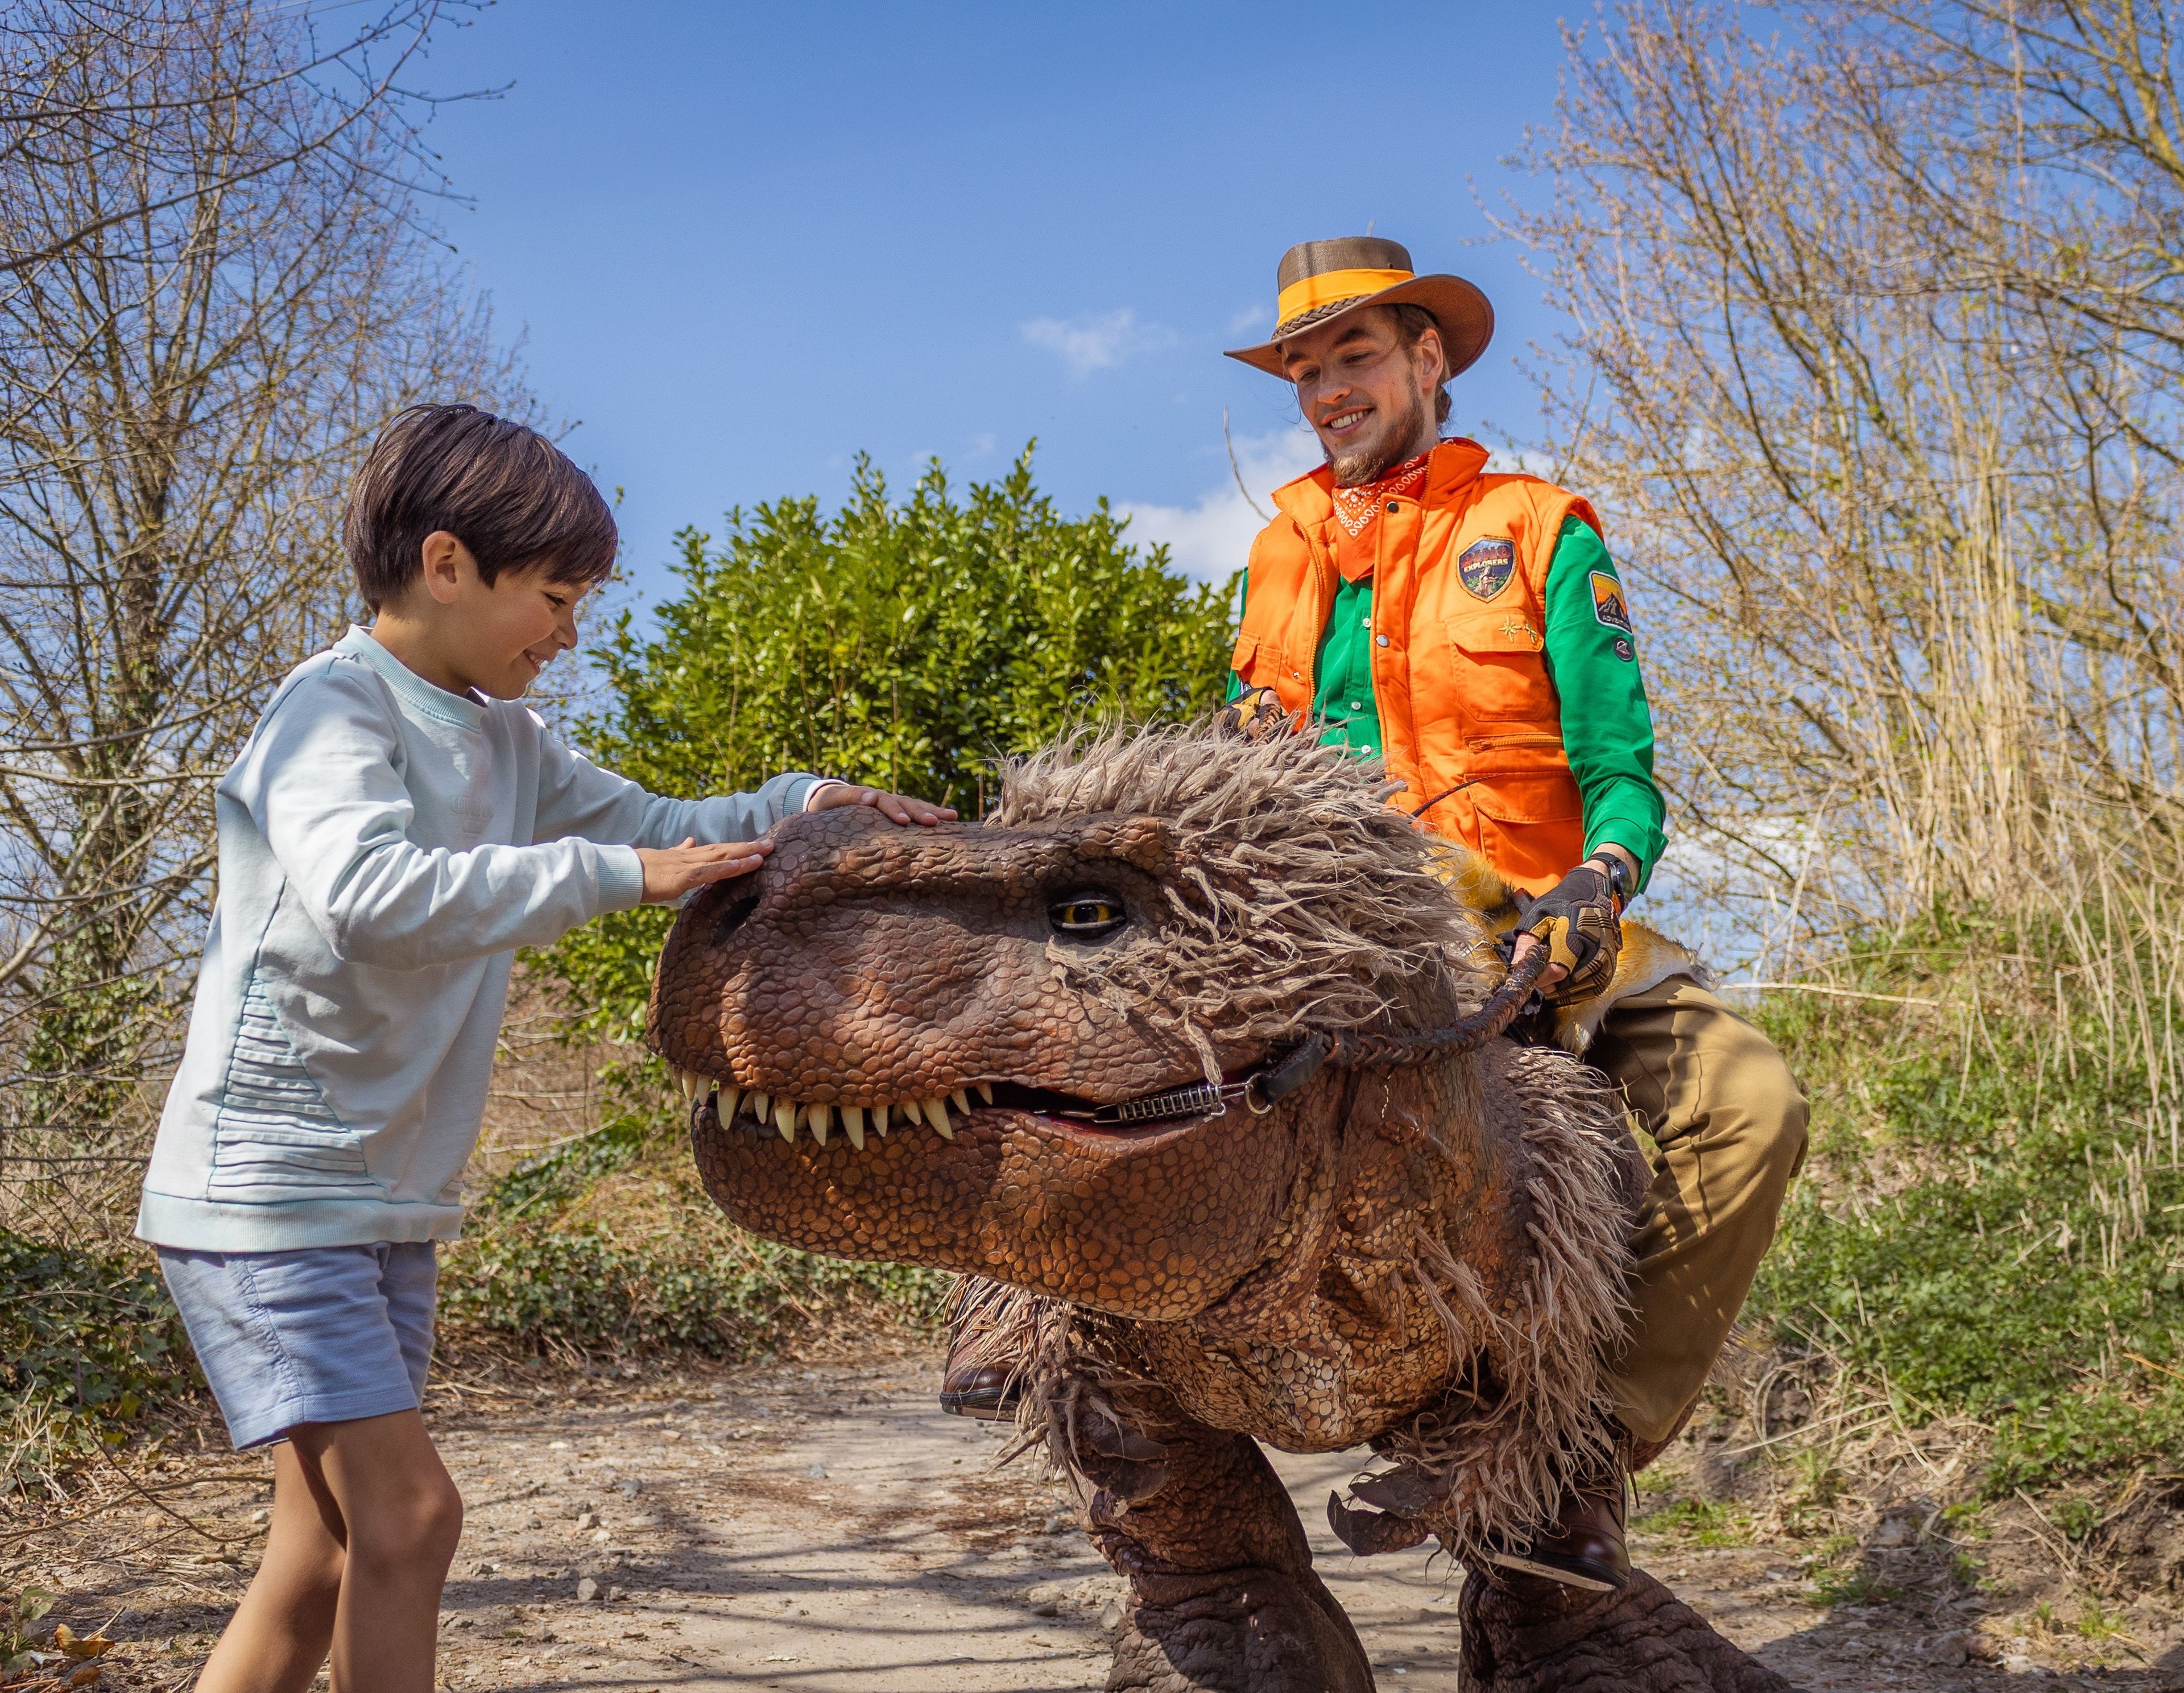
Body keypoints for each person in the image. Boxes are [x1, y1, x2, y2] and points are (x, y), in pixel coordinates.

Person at [942, 238, 1808, 1596]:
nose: (1326, 390)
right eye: (1303, 369)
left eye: (1352, 357)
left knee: (1752, 1103)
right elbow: (1245, 756)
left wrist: (1601, 880)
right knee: (1083, 1013)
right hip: (1331, 920)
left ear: (1429, 360)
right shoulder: (1279, 549)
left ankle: (1578, 1454)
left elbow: (1623, 771)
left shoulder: (1539, 527)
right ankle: (1033, 1308)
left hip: (1531, 914)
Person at [136, 403, 953, 1693]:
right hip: (269, 1188)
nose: (571, 636)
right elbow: (374, 892)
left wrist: (801, 805)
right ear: (448, 564)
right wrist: (621, 875)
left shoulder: (509, 740)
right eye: (558, 597)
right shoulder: (329, 711)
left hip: (381, 1198)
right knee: (409, 1520)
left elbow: (666, 823)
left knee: (325, 1553)